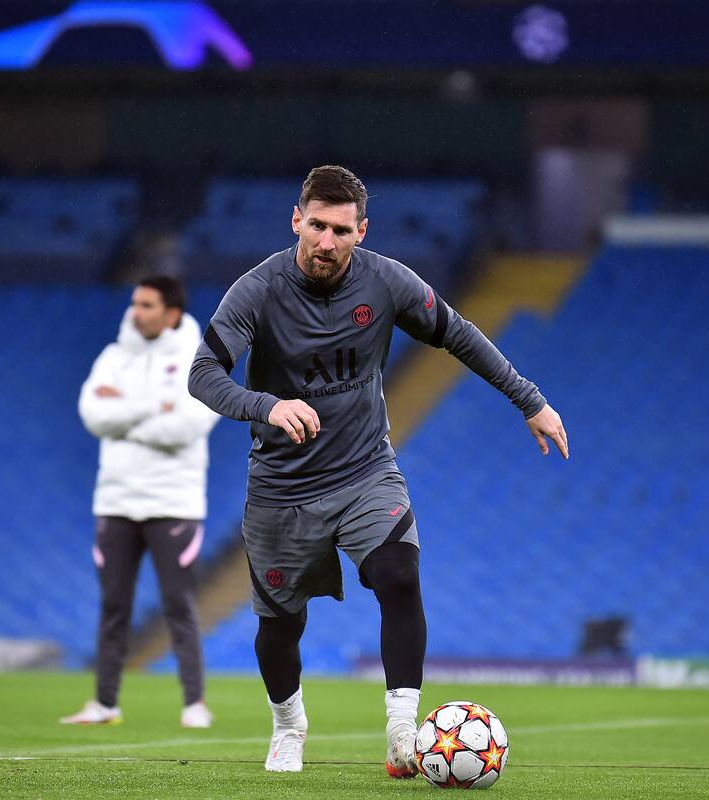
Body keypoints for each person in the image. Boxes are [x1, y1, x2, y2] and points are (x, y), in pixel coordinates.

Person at [188, 166, 568, 774]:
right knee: (281, 626)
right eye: (316, 225)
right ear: (296, 221)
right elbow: (202, 374)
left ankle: (401, 730)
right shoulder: (255, 292)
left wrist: (531, 400)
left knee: (399, 574)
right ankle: (289, 725)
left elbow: (459, 335)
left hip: (365, 471)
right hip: (281, 490)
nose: (326, 241)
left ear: (361, 231)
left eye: (340, 230)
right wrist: (267, 405)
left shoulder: (388, 283)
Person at [62, 276, 220, 729]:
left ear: (171, 313)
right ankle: (104, 703)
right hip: (114, 500)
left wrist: (125, 413)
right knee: (113, 607)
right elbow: (93, 415)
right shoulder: (114, 357)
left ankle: (194, 705)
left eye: (147, 304)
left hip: (174, 503)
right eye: (134, 302)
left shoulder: (199, 360)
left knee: (179, 605)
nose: (136, 311)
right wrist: (156, 406)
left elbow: (186, 427)